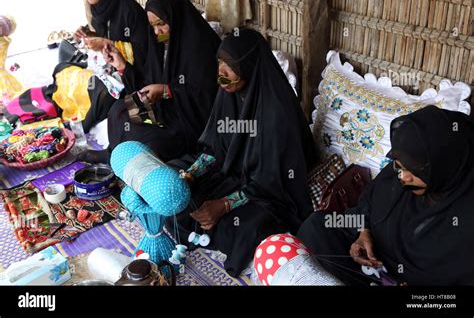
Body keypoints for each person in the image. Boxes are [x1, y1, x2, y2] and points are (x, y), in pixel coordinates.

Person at [166, 28, 318, 277]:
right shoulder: (229, 93)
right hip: (233, 174)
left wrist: (226, 205)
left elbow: (273, 181)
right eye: (219, 63)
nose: (221, 74)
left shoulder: (277, 113)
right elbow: (216, 148)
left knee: (248, 228)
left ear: (249, 66)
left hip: (271, 189)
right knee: (174, 183)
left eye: (230, 66)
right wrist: (190, 175)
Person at [297, 105, 474, 286]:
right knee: (318, 225)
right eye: (399, 165)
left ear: (446, 167)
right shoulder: (400, 173)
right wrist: (363, 232)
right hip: (371, 269)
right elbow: (365, 207)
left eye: (416, 170)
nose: (403, 177)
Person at [97, 0, 221, 163]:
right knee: (118, 112)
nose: (156, 31)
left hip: (188, 123)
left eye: (161, 24)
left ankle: (125, 161)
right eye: (152, 26)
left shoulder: (201, 47)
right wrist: (122, 66)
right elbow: (146, 82)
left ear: (175, 18)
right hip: (163, 110)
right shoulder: (160, 44)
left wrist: (167, 91)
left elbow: (207, 97)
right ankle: (114, 155)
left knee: (149, 142)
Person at [74, 0, 153, 132]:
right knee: (67, 67)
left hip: (132, 75)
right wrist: (87, 35)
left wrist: (106, 43)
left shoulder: (130, 11)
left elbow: (144, 53)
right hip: (110, 69)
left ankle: (81, 129)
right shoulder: (99, 8)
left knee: (100, 90)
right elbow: (105, 34)